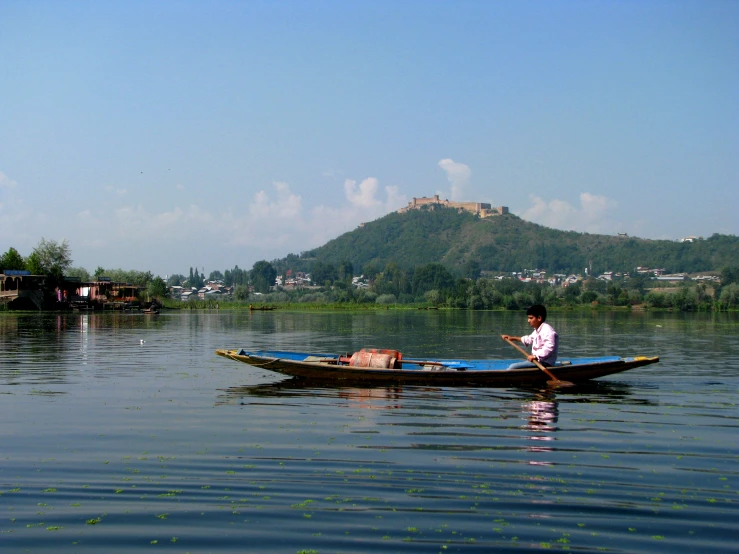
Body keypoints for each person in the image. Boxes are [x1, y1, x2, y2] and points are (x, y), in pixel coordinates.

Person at [502, 305, 558, 369]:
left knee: (512, 367)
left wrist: (535, 356)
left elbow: (549, 348)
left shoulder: (547, 330)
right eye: (528, 318)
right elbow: (528, 339)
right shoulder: (537, 330)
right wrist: (512, 338)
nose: (528, 321)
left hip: (545, 363)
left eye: (531, 318)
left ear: (539, 318)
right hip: (537, 361)